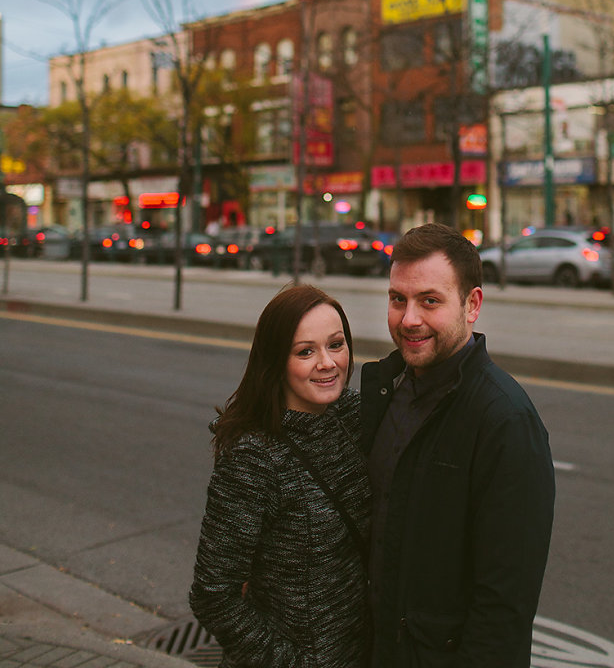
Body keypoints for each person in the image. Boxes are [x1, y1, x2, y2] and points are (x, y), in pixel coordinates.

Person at [361, 222, 555, 667]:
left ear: (472, 305)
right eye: (397, 300)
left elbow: (504, 609)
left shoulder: (505, 421)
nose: (409, 319)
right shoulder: (385, 392)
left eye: (430, 301)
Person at [190, 283, 371, 668]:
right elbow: (213, 593)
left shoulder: (353, 416)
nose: (327, 362)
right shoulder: (254, 457)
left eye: (336, 344)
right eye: (305, 351)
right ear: (276, 361)